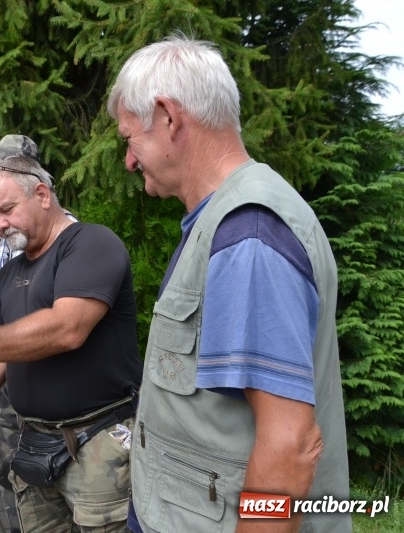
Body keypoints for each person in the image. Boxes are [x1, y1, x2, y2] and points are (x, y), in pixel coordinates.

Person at [106, 35, 351, 532]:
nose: (129, 160)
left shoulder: (248, 235)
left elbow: (291, 446)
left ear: (169, 117)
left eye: (130, 139)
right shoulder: (222, 222)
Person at [0, 155, 141, 532]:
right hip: (34, 444)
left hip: (99, 442)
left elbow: (67, 328)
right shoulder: (12, 271)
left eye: (7, 210)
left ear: (43, 195)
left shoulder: (91, 243)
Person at [0, 134, 78, 533]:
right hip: (2, 369)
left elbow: (64, 324)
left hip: (47, 373)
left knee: (56, 466)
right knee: (10, 462)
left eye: (3, 168)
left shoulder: (74, 240)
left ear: (37, 185)